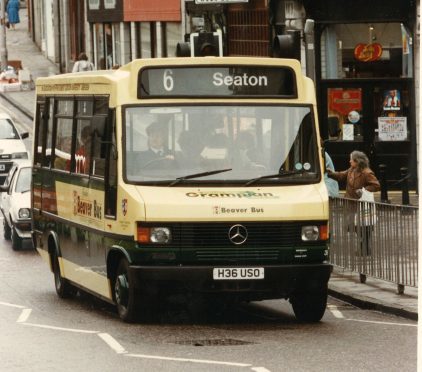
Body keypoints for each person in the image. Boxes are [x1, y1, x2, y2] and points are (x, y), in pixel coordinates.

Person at [327, 150, 380, 255]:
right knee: (355, 226)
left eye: (351, 159)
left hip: (361, 205)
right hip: (351, 204)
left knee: (364, 227)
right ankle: (364, 247)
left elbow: (376, 185)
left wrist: (363, 189)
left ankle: (364, 249)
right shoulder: (352, 169)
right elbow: (342, 175)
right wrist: (331, 174)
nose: (349, 161)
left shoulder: (367, 172)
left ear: (357, 161)